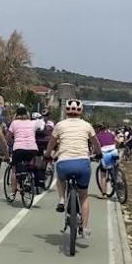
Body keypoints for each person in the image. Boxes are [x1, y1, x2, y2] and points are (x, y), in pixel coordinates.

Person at [44, 99, 101, 239]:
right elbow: (96, 143)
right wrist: (99, 153)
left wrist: (47, 154)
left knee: (60, 179)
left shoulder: (59, 125)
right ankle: (85, 227)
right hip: (83, 164)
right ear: (80, 112)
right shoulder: (87, 125)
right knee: (84, 196)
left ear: (66, 111)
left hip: (64, 163)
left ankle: (62, 199)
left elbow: (51, 144)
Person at [7, 104, 40, 195]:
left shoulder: (14, 123)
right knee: (31, 164)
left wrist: (9, 143)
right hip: (33, 148)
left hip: (18, 148)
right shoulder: (32, 123)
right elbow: (40, 128)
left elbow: (8, 137)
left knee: (14, 169)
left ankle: (14, 191)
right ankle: (31, 181)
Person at [96, 125, 118, 197]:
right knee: (115, 166)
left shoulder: (98, 136)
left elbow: (97, 146)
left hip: (105, 153)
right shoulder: (111, 134)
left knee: (103, 174)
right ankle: (117, 179)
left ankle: (103, 194)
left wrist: (95, 153)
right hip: (113, 151)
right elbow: (118, 141)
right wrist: (116, 147)